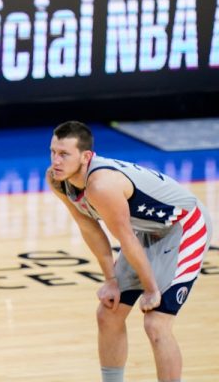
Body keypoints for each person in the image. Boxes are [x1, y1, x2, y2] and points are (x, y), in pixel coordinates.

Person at [47, 121, 212, 382]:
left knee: (156, 324)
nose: (56, 161)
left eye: (64, 154)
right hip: (148, 230)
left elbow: (125, 238)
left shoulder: (101, 185)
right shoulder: (58, 180)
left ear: (86, 156)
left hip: (185, 225)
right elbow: (89, 229)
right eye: (53, 152)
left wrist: (151, 289)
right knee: (108, 314)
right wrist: (111, 281)